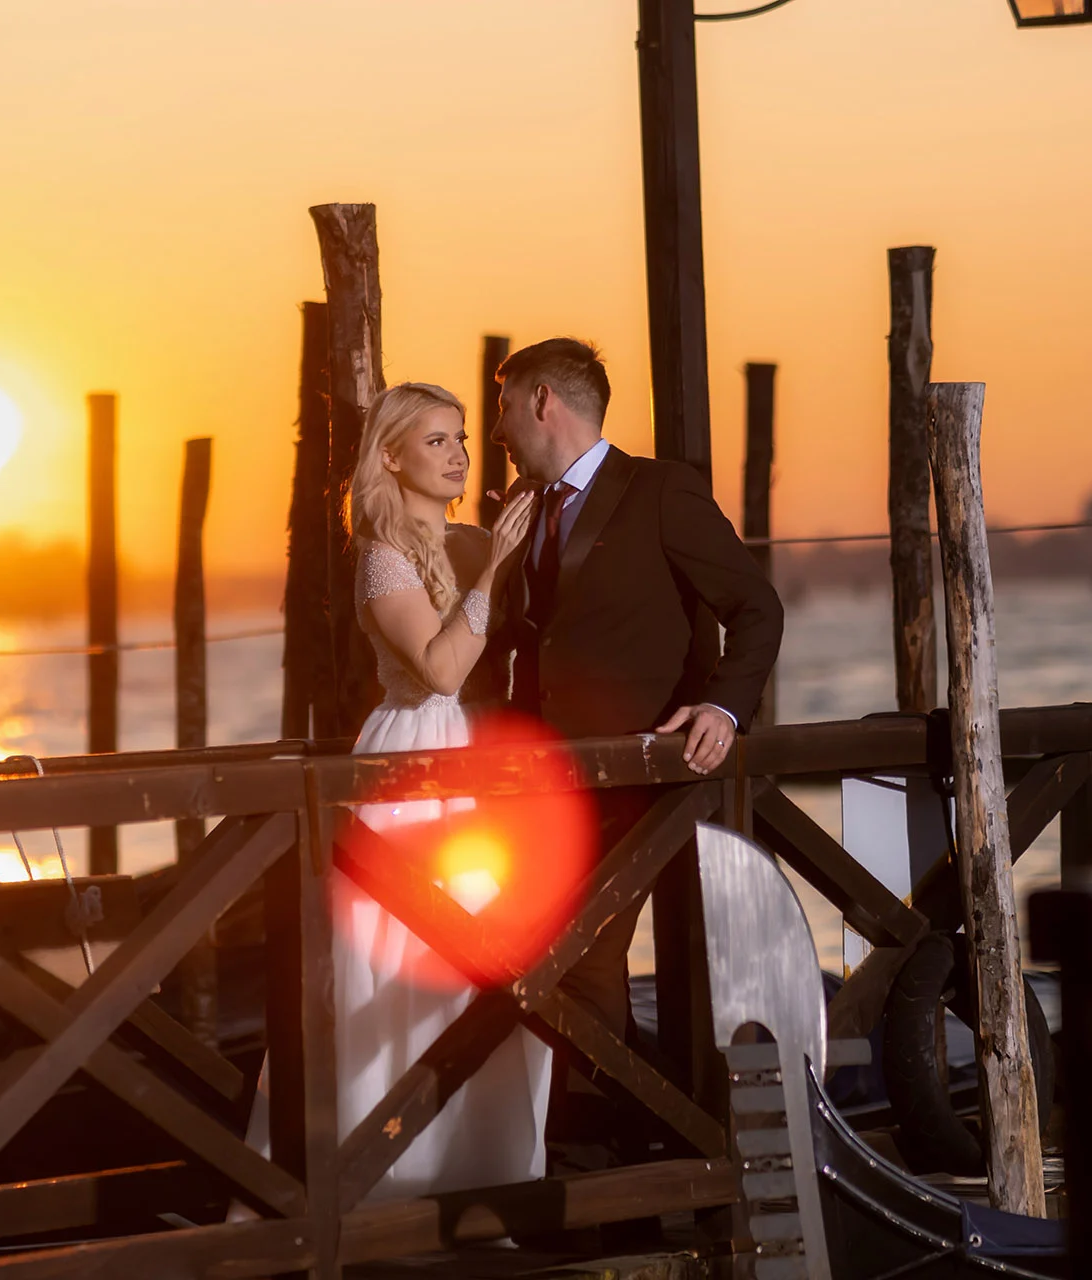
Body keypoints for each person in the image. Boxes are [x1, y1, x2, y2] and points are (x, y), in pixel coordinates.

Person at [243, 381, 545, 1201]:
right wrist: (497, 569)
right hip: (417, 758)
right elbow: (441, 670)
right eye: (437, 440)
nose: (459, 454)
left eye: (462, 438)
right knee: (407, 959)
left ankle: (483, 1179)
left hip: (488, 765)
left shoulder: (480, 540)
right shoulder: (383, 556)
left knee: (491, 960)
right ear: (391, 456)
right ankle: (380, 1184)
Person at [489, 337, 784, 1042]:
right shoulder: (524, 507)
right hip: (539, 785)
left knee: (583, 956)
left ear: (543, 401)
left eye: (505, 406)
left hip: (639, 783)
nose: (497, 430)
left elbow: (756, 607)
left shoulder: (659, 491)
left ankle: (601, 1107)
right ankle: (577, 1104)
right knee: (529, 955)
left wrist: (724, 706)